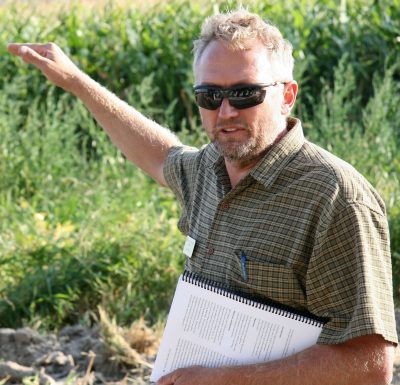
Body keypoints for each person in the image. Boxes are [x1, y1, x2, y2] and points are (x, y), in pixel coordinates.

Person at [8, 8, 398, 385]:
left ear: (287, 96)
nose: (225, 111)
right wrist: (77, 81)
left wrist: (226, 381)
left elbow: (370, 365)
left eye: (245, 93)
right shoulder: (209, 170)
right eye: (209, 96)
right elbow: (158, 154)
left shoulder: (335, 197)